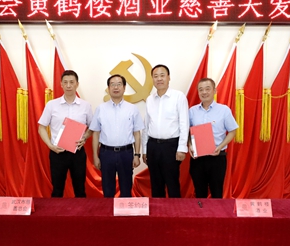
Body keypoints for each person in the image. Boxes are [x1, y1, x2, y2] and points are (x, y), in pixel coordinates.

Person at [37, 70, 93, 197]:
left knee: (80, 190)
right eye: (65, 82)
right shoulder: (52, 105)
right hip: (57, 152)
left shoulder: (85, 106)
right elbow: (41, 128)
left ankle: (81, 210)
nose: (68, 85)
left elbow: (92, 127)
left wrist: (84, 137)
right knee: (57, 190)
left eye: (72, 82)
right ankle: (56, 210)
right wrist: (50, 146)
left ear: (77, 84)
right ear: (61, 84)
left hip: (78, 152)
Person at [90, 74, 144, 198]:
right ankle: (108, 210)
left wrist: (137, 155)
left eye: (119, 84)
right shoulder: (101, 109)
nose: (116, 87)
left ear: (124, 88)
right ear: (108, 88)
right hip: (106, 153)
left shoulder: (132, 109)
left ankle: (125, 210)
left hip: (126, 153)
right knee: (107, 189)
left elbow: (137, 133)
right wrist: (95, 156)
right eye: (112, 84)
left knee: (126, 188)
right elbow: (96, 133)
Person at [142, 64, 189, 197]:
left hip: (171, 146)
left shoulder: (178, 96)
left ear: (169, 77)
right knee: (156, 183)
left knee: (172, 182)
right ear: (152, 79)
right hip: (153, 146)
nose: (159, 79)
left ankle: (175, 209)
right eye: (155, 76)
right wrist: (144, 150)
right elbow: (146, 126)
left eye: (162, 75)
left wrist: (182, 148)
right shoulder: (150, 99)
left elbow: (184, 123)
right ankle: (158, 209)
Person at [188, 78, 238, 199]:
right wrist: (189, 145)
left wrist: (220, 146)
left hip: (217, 158)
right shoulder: (192, 111)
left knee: (217, 192)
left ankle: (216, 212)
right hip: (198, 159)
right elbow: (187, 131)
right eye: (201, 90)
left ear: (214, 91)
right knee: (200, 193)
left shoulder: (224, 110)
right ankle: (201, 211)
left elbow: (232, 131)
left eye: (207, 89)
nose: (204, 92)